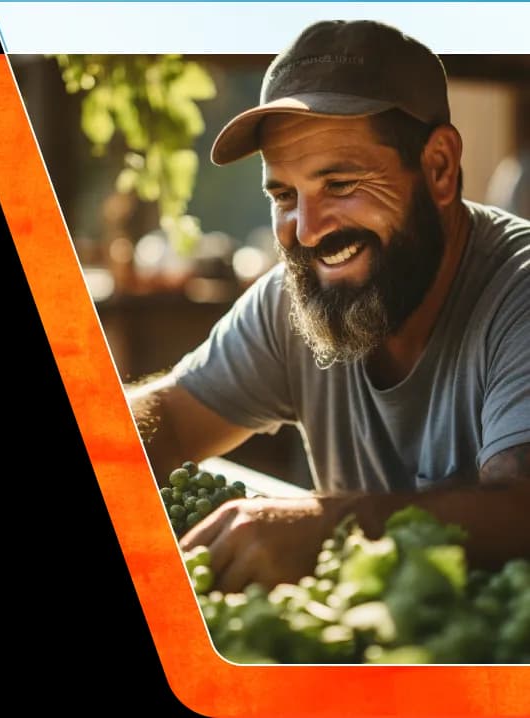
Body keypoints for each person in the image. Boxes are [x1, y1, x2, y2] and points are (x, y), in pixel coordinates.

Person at [126, 19, 530, 593]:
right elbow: (170, 417)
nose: (308, 232)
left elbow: (521, 508)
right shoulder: (296, 297)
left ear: (438, 168)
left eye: (340, 184)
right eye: (284, 196)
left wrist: (331, 525)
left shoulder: (519, 290)